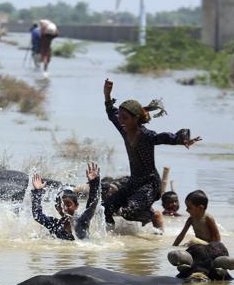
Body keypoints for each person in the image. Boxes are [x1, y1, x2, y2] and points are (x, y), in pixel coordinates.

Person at [102, 78, 201, 231]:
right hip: (133, 182)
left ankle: (155, 217)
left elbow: (164, 137)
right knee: (106, 208)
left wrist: (182, 140)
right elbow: (111, 113)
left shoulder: (146, 135)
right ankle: (110, 238)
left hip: (150, 185)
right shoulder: (124, 129)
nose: (120, 120)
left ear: (135, 119)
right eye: (120, 116)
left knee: (128, 212)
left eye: (124, 117)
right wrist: (107, 94)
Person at [30, 162, 100, 241]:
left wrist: (95, 182)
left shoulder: (83, 221)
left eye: (68, 204)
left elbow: (93, 203)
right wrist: (37, 192)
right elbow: (37, 216)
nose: (65, 208)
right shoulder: (55, 225)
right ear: (57, 208)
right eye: (61, 205)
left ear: (76, 205)